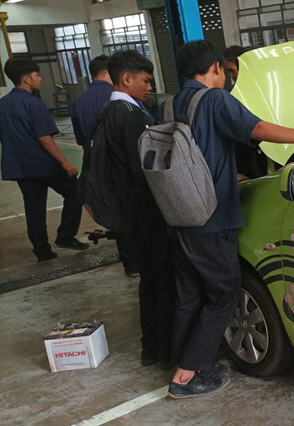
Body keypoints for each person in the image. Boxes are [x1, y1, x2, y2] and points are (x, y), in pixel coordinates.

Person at [165, 40, 294, 399]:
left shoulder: (171, 103)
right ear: (216, 67)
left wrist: (227, 174)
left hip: (179, 213)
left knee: (189, 294)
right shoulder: (215, 99)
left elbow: (192, 156)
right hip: (211, 216)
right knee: (225, 292)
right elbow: (256, 128)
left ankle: (184, 360)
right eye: (225, 72)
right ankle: (185, 377)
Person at [95, 50, 175, 366]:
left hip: (127, 212)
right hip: (144, 212)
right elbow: (142, 168)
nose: (149, 87)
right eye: (145, 80)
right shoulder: (129, 114)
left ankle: (151, 348)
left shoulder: (109, 111)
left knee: (150, 281)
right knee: (164, 279)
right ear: (126, 79)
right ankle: (167, 351)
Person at [0, 58, 88, 262]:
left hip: (21, 167)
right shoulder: (34, 104)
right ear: (26, 78)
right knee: (75, 192)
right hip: (43, 164)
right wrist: (65, 162)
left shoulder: (3, 104)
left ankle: (42, 251)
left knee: (34, 209)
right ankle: (65, 236)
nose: (40, 78)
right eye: (37, 75)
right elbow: (44, 138)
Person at [71, 55, 140, 277]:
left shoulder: (79, 102)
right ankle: (139, 260)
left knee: (114, 211)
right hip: (122, 165)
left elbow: (81, 138)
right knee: (132, 211)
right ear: (111, 73)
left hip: (96, 166)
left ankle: (129, 262)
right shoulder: (122, 99)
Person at [223, 45, 269, 180]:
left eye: (232, 71)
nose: (231, 76)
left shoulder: (268, 90)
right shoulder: (231, 96)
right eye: (228, 72)